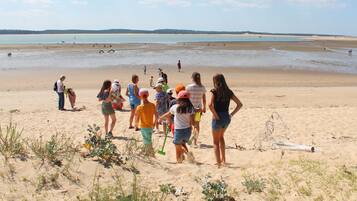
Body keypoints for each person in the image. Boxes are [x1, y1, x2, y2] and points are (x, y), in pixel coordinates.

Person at [209, 74, 243, 167]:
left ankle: (219, 163)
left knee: (215, 142)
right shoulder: (229, 92)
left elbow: (210, 105)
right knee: (221, 137)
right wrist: (231, 114)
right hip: (226, 118)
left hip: (217, 118)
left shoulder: (214, 91)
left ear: (215, 81)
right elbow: (239, 104)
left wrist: (215, 115)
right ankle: (224, 160)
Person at [159, 90, 194, 163]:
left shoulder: (175, 107)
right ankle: (186, 155)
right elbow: (192, 121)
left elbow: (167, 114)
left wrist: (160, 118)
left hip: (178, 131)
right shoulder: (190, 108)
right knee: (182, 144)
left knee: (177, 147)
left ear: (179, 99)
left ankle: (180, 161)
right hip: (188, 131)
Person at [135, 88, 157, 157]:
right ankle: (147, 151)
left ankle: (150, 153)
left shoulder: (139, 107)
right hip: (150, 126)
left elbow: (137, 118)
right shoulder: (152, 105)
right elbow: (156, 116)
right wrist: (154, 124)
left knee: (147, 140)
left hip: (143, 126)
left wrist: (136, 126)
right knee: (147, 139)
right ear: (148, 95)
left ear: (140, 96)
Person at [186, 72, 207, 147]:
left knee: (190, 124)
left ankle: (190, 139)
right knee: (197, 125)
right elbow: (204, 99)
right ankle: (195, 141)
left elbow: (186, 98)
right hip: (198, 109)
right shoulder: (202, 87)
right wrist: (204, 107)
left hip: (190, 109)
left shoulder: (188, 87)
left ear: (192, 78)